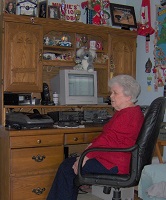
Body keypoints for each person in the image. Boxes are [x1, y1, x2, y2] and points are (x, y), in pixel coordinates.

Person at [46, 74, 144, 200]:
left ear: (128, 96)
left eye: (115, 93)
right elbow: (109, 138)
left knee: (67, 167)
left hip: (115, 164)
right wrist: (88, 150)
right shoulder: (130, 112)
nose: (111, 96)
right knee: (70, 164)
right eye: (111, 92)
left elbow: (108, 140)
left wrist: (86, 155)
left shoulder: (128, 115)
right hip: (114, 158)